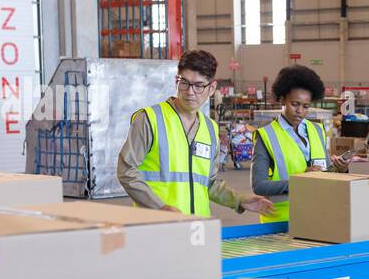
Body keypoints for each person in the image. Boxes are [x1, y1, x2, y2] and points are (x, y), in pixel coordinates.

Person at [117, 49, 274, 216]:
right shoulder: (150, 119)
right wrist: (159, 207)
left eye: (199, 86)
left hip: (197, 229)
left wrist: (238, 199)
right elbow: (126, 171)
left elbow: (209, 183)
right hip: (157, 225)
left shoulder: (210, 129)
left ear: (212, 88)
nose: (190, 92)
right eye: (184, 83)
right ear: (176, 81)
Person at [252, 65, 345, 224]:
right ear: (282, 100)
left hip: (317, 215)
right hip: (280, 221)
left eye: (305, 106)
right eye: (294, 104)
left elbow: (327, 172)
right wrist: (299, 180)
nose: (300, 111)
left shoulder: (316, 130)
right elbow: (259, 186)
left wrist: (340, 168)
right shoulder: (266, 136)